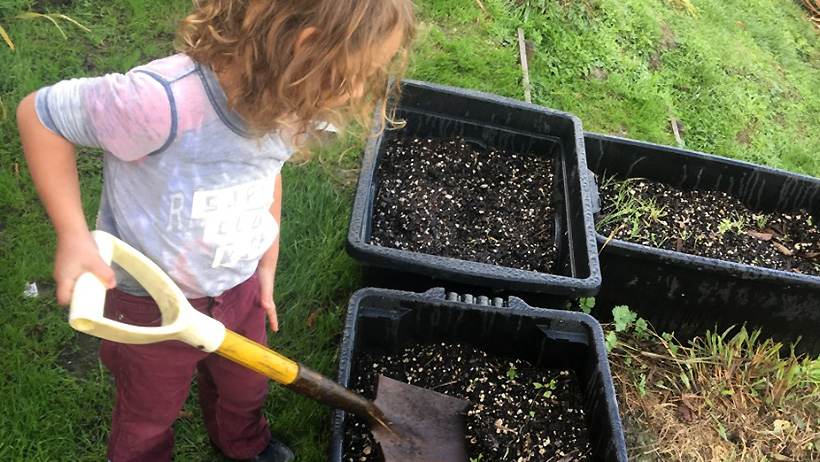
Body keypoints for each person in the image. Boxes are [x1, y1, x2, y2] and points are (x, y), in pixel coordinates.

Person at [16, 0, 415, 460]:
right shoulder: (158, 103)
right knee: (149, 413)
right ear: (305, 49)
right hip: (150, 303)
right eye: (356, 73)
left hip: (238, 288)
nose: (358, 90)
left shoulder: (289, 99)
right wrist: (73, 234)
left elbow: (266, 173)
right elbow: (41, 116)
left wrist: (266, 258)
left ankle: (242, 442)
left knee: (244, 387)